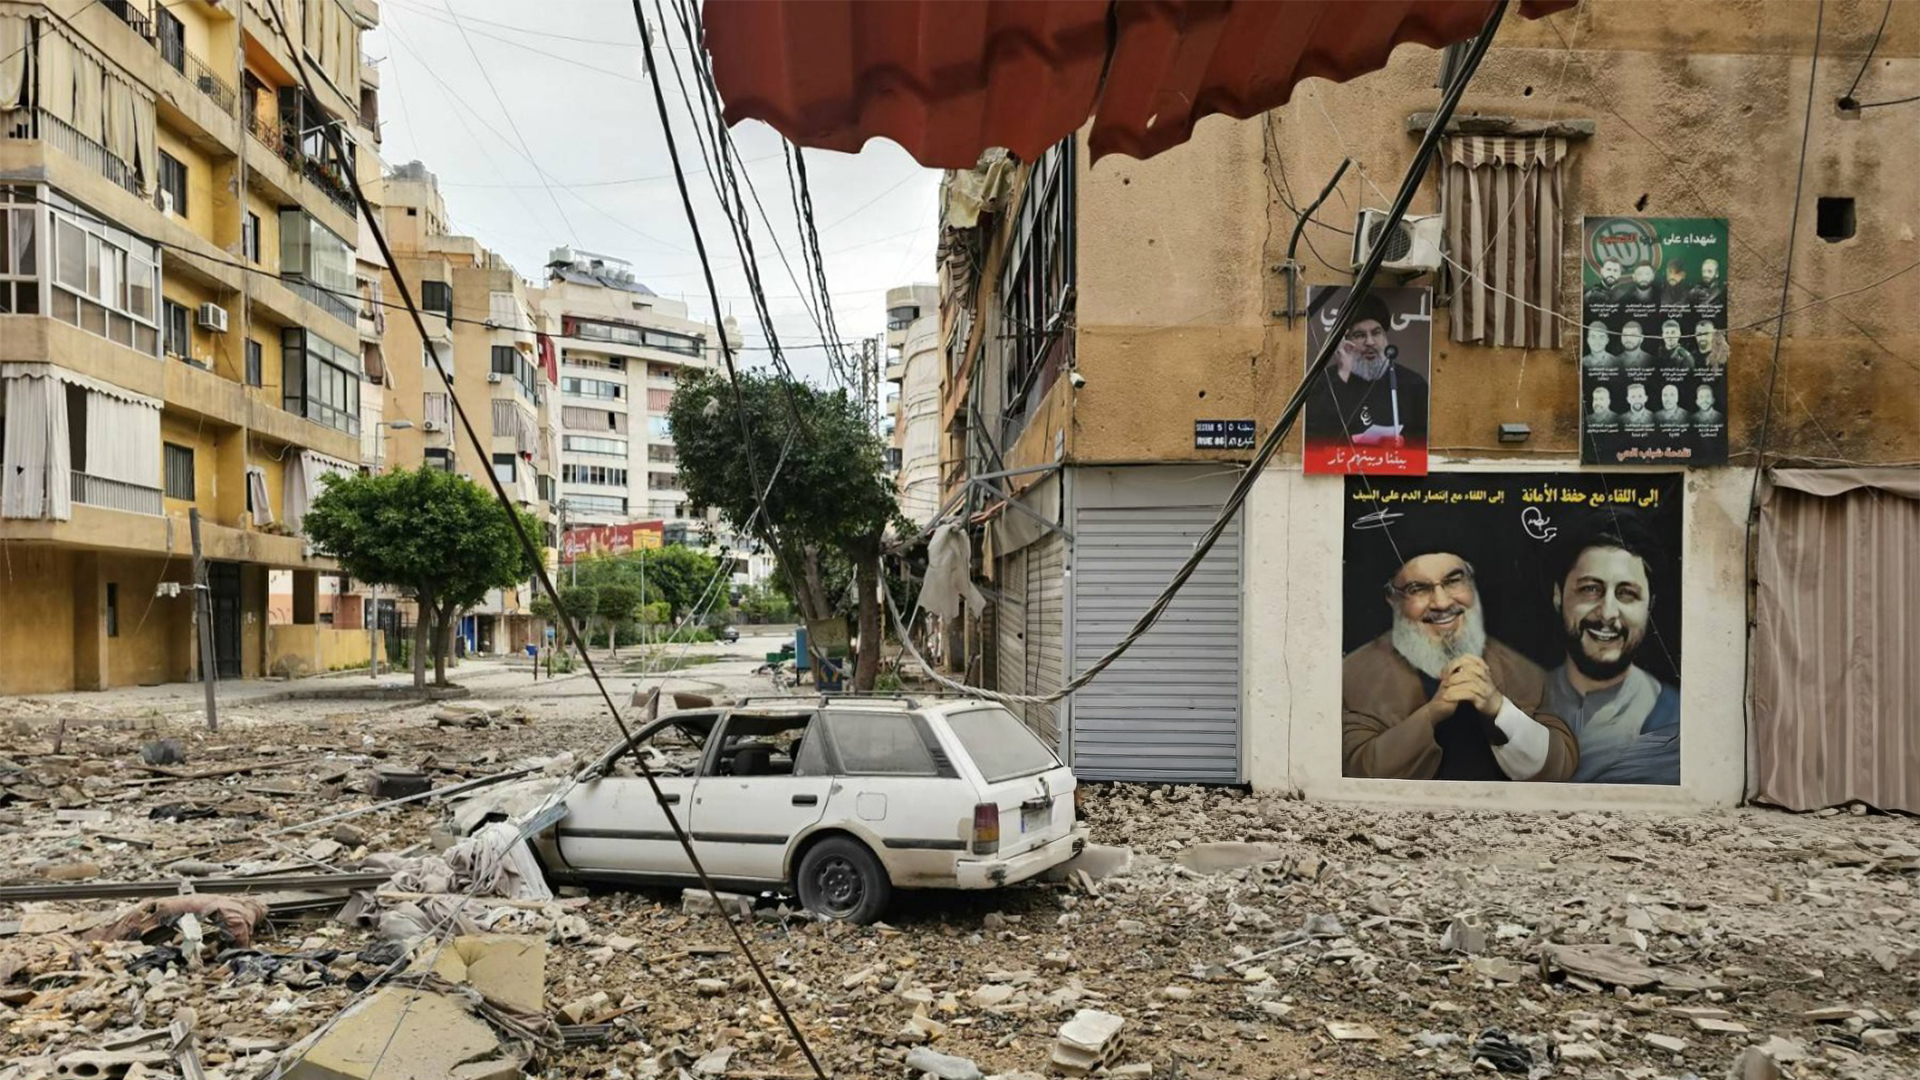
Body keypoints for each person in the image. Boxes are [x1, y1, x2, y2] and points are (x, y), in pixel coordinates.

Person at [1343, 549, 1577, 782]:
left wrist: (1498, 707)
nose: (1442, 603)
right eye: (1418, 589)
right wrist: (1433, 712)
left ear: (1472, 584)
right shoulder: (1353, 676)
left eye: (1454, 581)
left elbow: (1560, 767)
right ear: (1392, 599)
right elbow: (1358, 771)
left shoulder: (1525, 673)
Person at [1544, 517, 1680, 784]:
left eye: (1627, 593)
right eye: (1590, 589)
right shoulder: (1520, 701)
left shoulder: (1678, 721)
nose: (1607, 613)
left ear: (1649, 606)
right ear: (1559, 595)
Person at [1306, 291, 1430, 450]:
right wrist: (1343, 374)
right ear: (1346, 341)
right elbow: (1316, 439)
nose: (1370, 342)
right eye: (1359, 335)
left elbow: (1423, 442)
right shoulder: (1324, 383)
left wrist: (1404, 443)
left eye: (1376, 333)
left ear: (1385, 336)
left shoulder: (1413, 384)